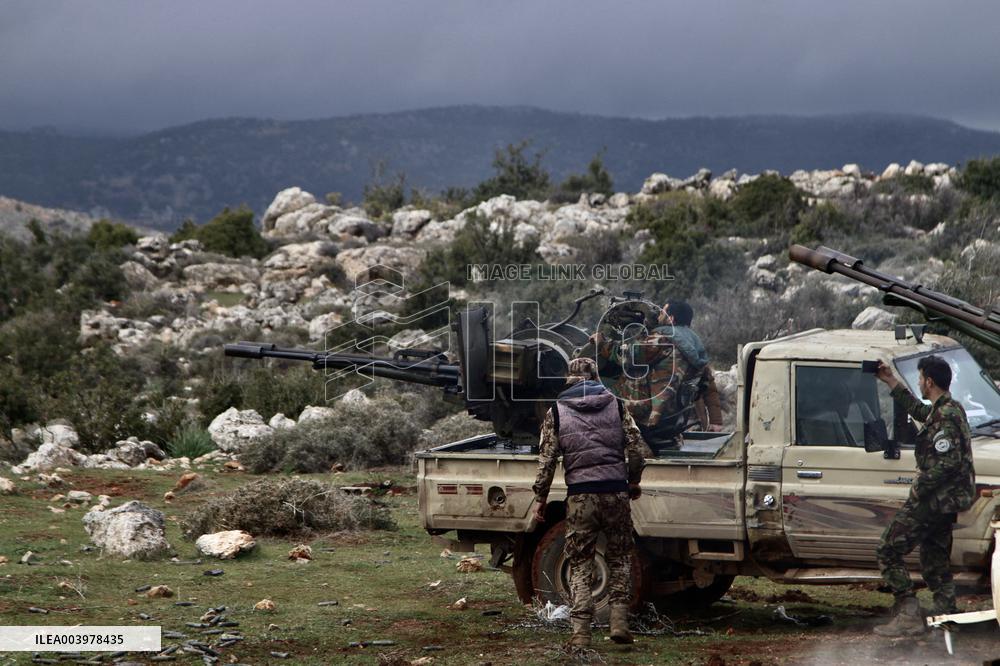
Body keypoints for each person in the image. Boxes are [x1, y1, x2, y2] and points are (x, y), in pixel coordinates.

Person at [531, 357, 647, 647]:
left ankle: (581, 634)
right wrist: (632, 482)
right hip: (615, 492)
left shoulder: (556, 412)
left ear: (570, 380)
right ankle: (619, 623)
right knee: (620, 557)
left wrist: (540, 499)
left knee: (581, 561)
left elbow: (546, 461)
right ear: (596, 378)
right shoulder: (617, 405)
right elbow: (637, 448)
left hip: (581, 497)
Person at [873, 355, 976, 637]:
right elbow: (920, 411)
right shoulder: (945, 409)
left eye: (919, 378)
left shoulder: (947, 415)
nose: (918, 382)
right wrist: (890, 381)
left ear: (929, 382)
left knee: (888, 548)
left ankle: (907, 612)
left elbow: (950, 462)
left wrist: (920, 486)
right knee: (935, 562)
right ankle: (947, 618)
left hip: (933, 501)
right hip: (943, 503)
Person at [695, 365, 725, 432]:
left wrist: (715, 422)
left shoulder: (697, 363)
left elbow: (711, 394)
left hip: (695, 427)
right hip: (673, 423)